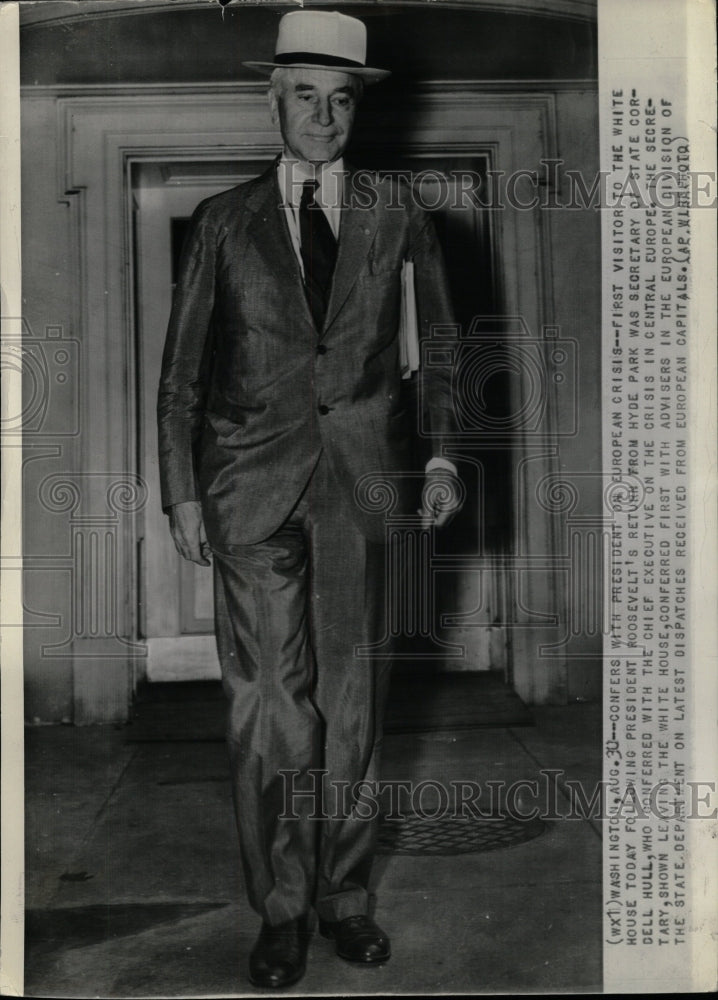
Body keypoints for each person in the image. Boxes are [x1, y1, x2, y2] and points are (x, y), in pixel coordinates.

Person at [157, 9, 461, 989]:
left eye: (340, 101)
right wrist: (182, 496)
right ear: (273, 100)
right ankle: (282, 907)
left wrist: (446, 457)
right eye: (305, 97)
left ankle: (344, 899)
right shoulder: (221, 222)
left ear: (354, 110)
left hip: (362, 485)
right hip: (248, 487)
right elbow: (180, 381)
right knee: (270, 708)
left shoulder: (397, 211)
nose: (323, 117)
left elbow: (443, 350)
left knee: (353, 700)